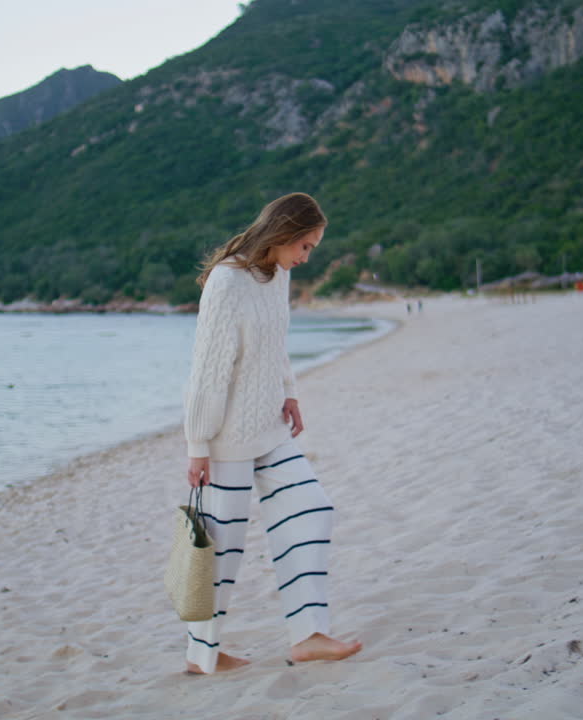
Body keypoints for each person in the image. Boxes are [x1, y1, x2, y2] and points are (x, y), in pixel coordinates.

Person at [182, 192, 363, 674]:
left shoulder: (276, 275)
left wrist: (291, 391)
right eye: (305, 246)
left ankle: (308, 635)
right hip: (226, 437)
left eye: (312, 248)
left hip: (269, 426)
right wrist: (198, 445)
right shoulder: (226, 282)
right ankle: (204, 655)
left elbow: (275, 342)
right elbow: (208, 370)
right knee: (223, 547)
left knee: (313, 509)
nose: (306, 257)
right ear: (282, 234)